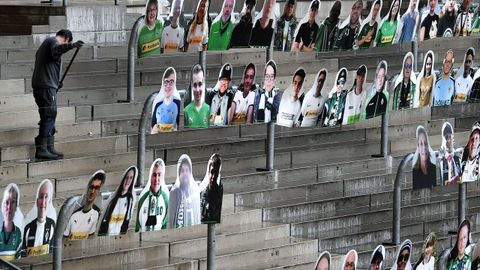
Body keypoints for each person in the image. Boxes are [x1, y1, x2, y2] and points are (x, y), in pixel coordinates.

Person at [32, 29, 83, 161]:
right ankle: (42, 149)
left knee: (47, 115)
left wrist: (56, 82)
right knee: (49, 115)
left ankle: (48, 147)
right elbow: (56, 50)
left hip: (45, 85)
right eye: (68, 41)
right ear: (66, 38)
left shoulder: (45, 45)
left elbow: (48, 64)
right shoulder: (52, 42)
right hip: (46, 87)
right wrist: (71, 46)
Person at [64, 170, 105, 240]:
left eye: (96, 188)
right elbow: (64, 239)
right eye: (91, 187)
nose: (93, 191)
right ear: (87, 188)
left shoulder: (97, 214)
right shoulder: (73, 214)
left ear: (99, 191)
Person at [98, 166, 137, 236]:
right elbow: (104, 220)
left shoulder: (130, 200)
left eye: (131, 178)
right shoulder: (113, 198)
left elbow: (126, 222)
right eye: (126, 177)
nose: (128, 181)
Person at [22, 180, 56, 256]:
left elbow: (53, 254)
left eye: (46, 197)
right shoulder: (28, 228)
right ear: (37, 201)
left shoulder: (52, 225)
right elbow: (23, 257)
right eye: (41, 197)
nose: (43, 202)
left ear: (50, 202)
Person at [136, 159, 169, 232]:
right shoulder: (143, 197)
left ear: (162, 177)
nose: (156, 179)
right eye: (154, 175)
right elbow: (137, 226)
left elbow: (165, 225)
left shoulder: (165, 198)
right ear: (150, 176)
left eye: (159, 175)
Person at [169, 154, 201, 228]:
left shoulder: (196, 191)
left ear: (190, 173)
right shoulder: (174, 193)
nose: (185, 173)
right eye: (182, 171)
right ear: (179, 174)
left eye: (187, 170)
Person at [151, 67, 181, 133]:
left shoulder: (178, 103)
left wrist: (160, 128)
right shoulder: (158, 104)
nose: (168, 86)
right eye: (166, 82)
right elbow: (153, 128)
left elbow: (177, 128)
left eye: (171, 82)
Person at [0, 184, 23, 261]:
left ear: (16, 206)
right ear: (2, 205)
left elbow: (19, 262)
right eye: (6, 202)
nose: (9, 207)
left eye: (13, 202)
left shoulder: (18, 233)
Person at [184, 64, 210, 128]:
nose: (197, 90)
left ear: (203, 84)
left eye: (200, 84)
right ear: (191, 86)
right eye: (195, 85)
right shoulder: (186, 111)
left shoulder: (209, 110)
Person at [200, 153, 223, 223]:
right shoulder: (202, 189)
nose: (213, 177)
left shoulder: (219, 188)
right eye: (212, 172)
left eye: (216, 173)